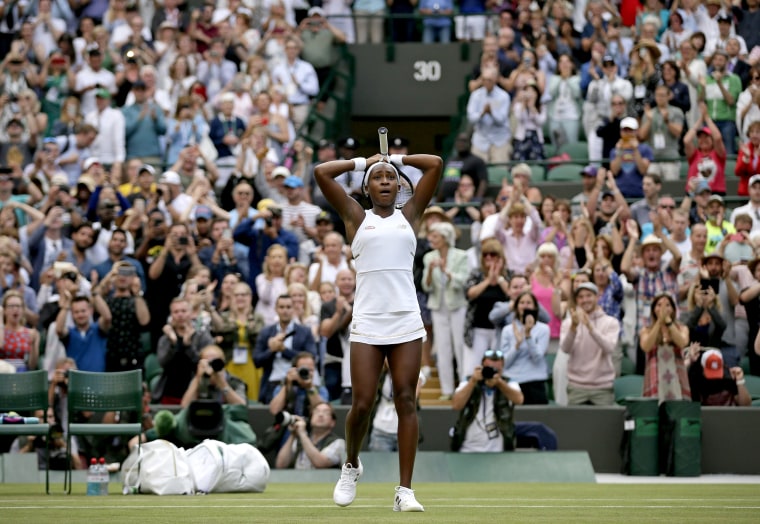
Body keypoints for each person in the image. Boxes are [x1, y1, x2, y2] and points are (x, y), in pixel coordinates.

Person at [315, 143, 442, 511]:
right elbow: (322, 173)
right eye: (378, 179)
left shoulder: (412, 213)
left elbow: (435, 164)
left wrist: (396, 159)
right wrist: (364, 162)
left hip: (405, 320)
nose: (385, 181)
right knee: (362, 403)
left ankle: (405, 491)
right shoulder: (354, 215)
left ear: (400, 187)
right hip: (368, 321)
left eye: (391, 178)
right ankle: (352, 463)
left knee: (406, 398)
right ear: (367, 189)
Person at [422, 221, 469, 401]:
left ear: (445, 238)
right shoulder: (429, 258)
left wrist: (446, 271)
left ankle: (463, 387)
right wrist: (430, 272)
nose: (431, 239)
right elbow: (426, 288)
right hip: (438, 306)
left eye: (435, 236)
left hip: (457, 306)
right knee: (443, 349)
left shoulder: (461, 256)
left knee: (459, 346)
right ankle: (447, 390)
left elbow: (462, 281)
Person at [450, 349, 524, 452]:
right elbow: (456, 405)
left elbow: (519, 399)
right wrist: (473, 381)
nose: (492, 373)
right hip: (468, 447)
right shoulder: (469, 381)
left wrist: (499, 383)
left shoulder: (508, 383)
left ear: (502, 368)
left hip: (497, 449)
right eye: (488, 369)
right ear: (482, 366)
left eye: (496, 370)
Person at [560, 282, 620, 406]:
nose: (585, 300)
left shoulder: (611, 322)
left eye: (589, 295)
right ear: (577, 300)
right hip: (576, 386)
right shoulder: (568, 323)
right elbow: (565, 349)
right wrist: (573, 328)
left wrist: (590, 327)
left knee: (604, 425)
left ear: (597, 297)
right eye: (581, 297)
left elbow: (609, 347)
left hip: (602, 387)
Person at [254, 294, 317, 404]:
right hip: (272, 383)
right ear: (276, 309)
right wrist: (271, 350)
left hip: (299, 383)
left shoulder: (305, 332)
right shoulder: (266, 332)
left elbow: (312, 357)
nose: (285, 311)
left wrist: (284, 350)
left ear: (294, 309)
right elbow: (256, 361)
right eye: (281, 307)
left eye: (288, 307)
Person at [500, 291, 550, 405]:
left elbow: (537, 358)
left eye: (529, 302)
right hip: (512, 381)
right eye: (522, 302)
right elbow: (504, 363)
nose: (525, 306)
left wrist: (528, 335)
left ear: (535, 307)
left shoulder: (543, 329)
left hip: (535, 381)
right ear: (517, 307)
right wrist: (517, 345)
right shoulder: (508, 330)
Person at [640, 293, 691, 402]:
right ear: (653, 309)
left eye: (667, 305)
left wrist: (668, 321)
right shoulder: (646, 330)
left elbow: (682, 342)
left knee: (678, 410)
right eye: (659, 305)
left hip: (676, 376)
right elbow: (646, 346)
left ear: (673, 309)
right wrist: (659, 322)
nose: (663, 308)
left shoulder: (682, 328)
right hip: (655, 375)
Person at [275, 401, 345, 469]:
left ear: (333, 422)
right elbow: (280, 465)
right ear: (311, 418)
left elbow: (320, 463)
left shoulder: (338, 443)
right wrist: (293, 435)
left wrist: (302, 433)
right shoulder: (300, 440)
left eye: (326, 412)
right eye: (317, 411)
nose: (320, 415)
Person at [687, 348, 752, 406]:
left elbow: (746, 405)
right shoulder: (695, 378)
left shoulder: (729, 376)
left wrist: (740, 381)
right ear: (702, 367)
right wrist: (689, 361)